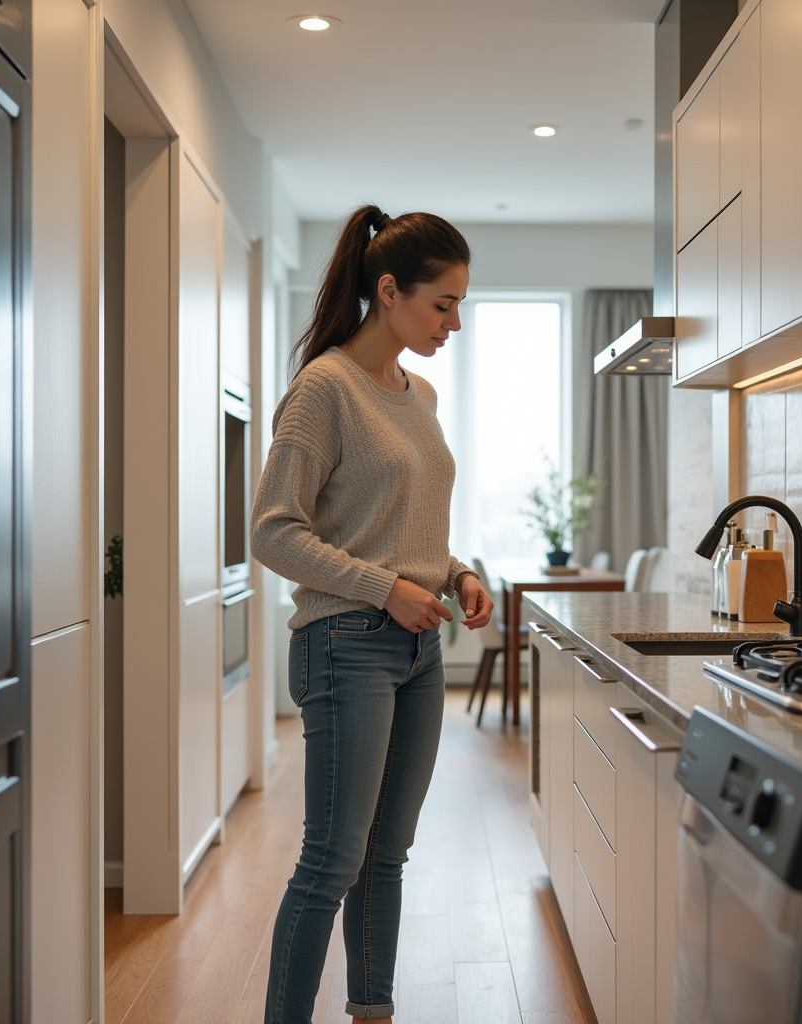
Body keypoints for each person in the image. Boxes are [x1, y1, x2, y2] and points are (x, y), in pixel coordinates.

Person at [250, 204, 494, 1024]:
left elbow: (399, 520)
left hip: (418, 652)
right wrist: (386, 588)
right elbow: (272, 532)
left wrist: (454, 573)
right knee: (333, 859)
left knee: (388, 855)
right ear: (388, 291)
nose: (453, 322)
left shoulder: (415, 391)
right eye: (443, 304)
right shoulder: (324, 388)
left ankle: (372, 1012)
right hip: (344, 645)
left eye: (460, 305)